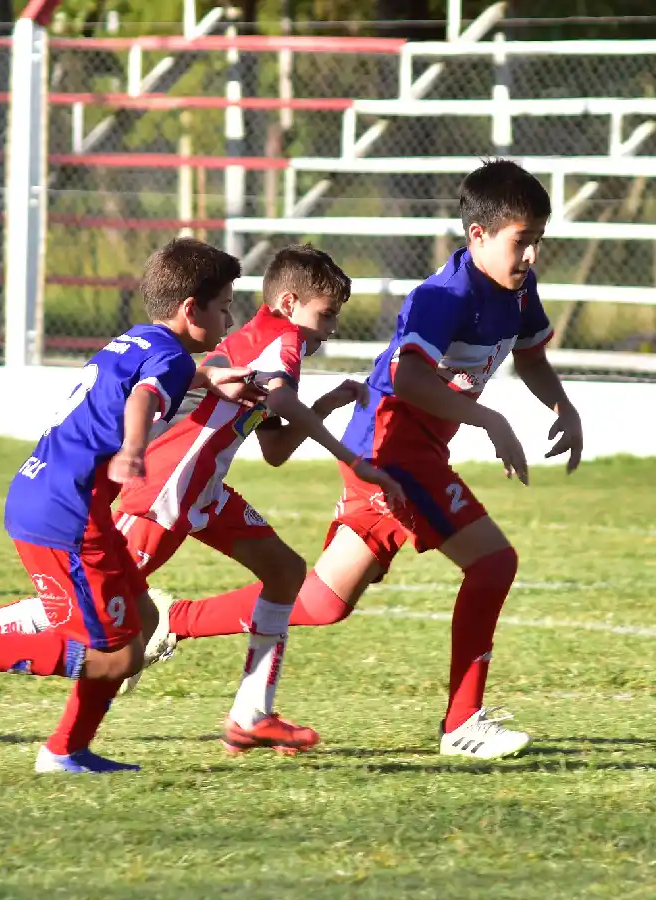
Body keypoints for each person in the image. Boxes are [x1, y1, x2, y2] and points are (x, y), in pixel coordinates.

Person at [118, 159, 584, 759]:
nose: (532, 256)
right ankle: (463, 724)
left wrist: (562, 407)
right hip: (394, 449)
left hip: (398, 449)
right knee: (493, 564)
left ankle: (172, 620)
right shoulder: (441, 298)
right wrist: (488, 419)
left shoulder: (518, 290)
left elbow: (531, 357)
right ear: (479, 236)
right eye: (522, 242)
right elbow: (409, 379)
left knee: (323, 602)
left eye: (538, 241)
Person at [0, 244, 404, 758]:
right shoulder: (281, 338)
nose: (330, 329)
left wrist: (329, 403)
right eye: (327, 315)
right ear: (289, 305)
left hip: (205, 492)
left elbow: (273, 447)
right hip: (168, 491)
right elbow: (265, 400)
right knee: (90, 616)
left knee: (284, 572)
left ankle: (250, 716)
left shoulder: (256, 342)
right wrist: (351, 458)